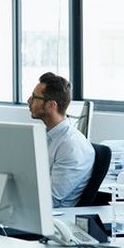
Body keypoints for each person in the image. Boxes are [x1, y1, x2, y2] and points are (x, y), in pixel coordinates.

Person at [28, 72, 94, 207]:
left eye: (34, 97)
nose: (29, 100)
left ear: (51, 105)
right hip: (29, 210)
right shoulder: (47, 137)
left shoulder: (71, 146)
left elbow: (50, 200)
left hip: (54, 219)